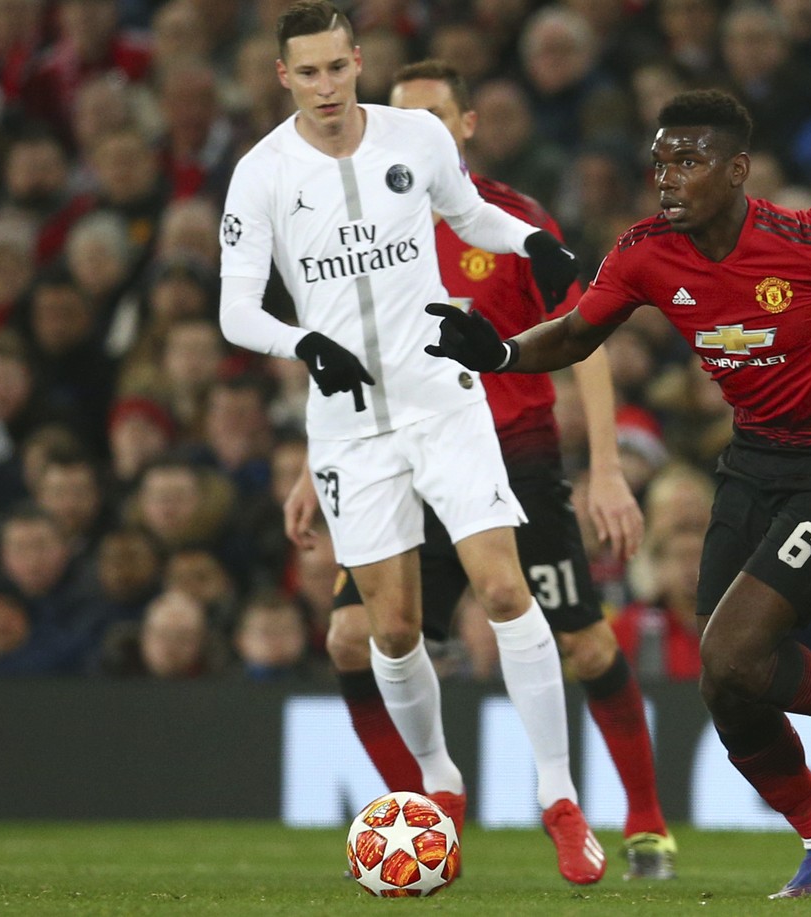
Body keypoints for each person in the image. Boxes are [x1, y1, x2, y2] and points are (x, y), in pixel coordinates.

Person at [426, 89, 811, 898]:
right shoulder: (647, 250)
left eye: (689, 160)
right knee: (723, 678)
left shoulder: (808, 237)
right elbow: (579, 330)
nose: (668, 175)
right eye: (660, 159)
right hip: (756, 459)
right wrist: (500, 351)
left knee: (735, 649)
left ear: (737, 171)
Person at [216, 1, 601, 884]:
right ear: (283, 77)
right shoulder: (261, 173)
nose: (323, 86)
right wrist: (301, 341)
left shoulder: (415, 140)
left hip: (442, 399)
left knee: (505, 588)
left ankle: (559, 798)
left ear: (358, 61)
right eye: (304, 72)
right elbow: (237, 306)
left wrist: (537, 242)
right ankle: (438, 781)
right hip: (349, 424)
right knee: (391, 627)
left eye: (335, 68)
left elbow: (471, 217)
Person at [282, 58, 674, 882]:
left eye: (431, 116)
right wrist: (319, 465)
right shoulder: (361, 221)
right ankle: (421, 815)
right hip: (392, 452)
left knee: (587, 641)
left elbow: (585, 337)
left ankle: (643, 821)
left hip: (513, 454)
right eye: (398, 115)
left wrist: (604, 467)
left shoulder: (510, 219)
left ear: (462, 127)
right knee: (355, 635)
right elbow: (340, 356)